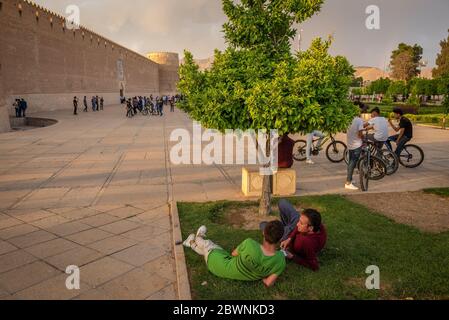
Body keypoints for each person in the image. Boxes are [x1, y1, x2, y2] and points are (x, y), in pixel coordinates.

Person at [183, 221, 286, 287]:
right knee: (208, 251)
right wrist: (262, 276)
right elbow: (268, 283)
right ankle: (190, 243)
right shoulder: (280, 260)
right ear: (280, 239)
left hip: (218, 262)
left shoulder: (250, 243)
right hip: (218, 266)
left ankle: (197, 238)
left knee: (208, 244)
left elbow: (233, 254)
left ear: (263, 233)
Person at [271, 199, 327, 271]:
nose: (298, 224)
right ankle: (286, 226)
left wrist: (291, 256)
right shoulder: (318, 225)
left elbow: (314, 266)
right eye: (300, 222)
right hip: (292, 235)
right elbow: (297, 226)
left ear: (310, 228)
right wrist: (289, 239)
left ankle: (284, 227)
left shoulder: (306, 242)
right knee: (282, 202)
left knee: (265, 226)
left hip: (289, 235)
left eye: (301, 223)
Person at [345, 102, 367, 191]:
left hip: (350, 143)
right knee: (353, 163)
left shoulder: (348, 118)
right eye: (362, 109)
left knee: (350, 162)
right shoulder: (359, 120)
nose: (363, 111)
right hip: (357, 144)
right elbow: (360, 134)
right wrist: (364, 138)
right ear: (359, 109)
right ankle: (348, 182)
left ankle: (350, 178)